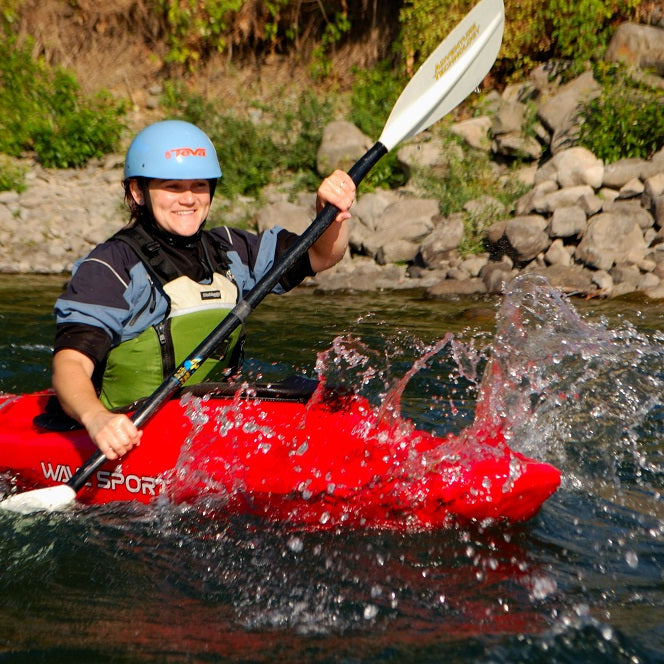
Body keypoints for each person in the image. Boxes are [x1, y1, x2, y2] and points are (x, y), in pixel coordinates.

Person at [51, 119, 356, 462]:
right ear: (138, 192)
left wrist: (333, 214)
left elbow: (320, 254)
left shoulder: (230, 249)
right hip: (129, 433)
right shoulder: (110, 266)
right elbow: (71, 362)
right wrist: (97, 419)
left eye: (199, 186)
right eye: (173, 187)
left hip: (210, 428)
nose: (189, 199)